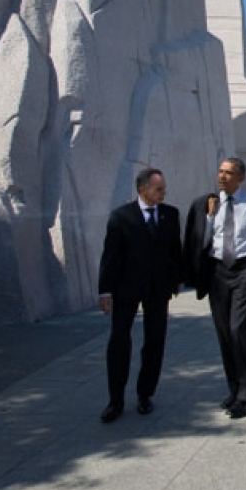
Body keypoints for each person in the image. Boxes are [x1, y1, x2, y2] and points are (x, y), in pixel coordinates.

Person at [183, 158, 246, 419]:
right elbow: (201, 241)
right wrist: (209, 218)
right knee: (223, 332)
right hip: (217, 272)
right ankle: (234, 390)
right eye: (220, 171)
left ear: (241, 177)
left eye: (229, 173)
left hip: (244, 270)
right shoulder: (208, 204)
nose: (222, 176)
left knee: (239, 330)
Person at [98, 168, 183, 423]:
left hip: (158, 290)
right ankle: (115, 400)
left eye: (163, 188)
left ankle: (145, 394)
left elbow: (174, 250)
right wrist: (105, 290)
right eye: (158, 189)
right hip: (126, 289)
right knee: (119, 343)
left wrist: (176, 279)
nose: (163, 193)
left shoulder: (170, 214)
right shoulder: (121, 217)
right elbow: (110, 257)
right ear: (142, 189)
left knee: (155, 342)